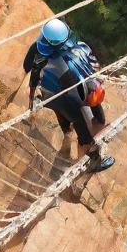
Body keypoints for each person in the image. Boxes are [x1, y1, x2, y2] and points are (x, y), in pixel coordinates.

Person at [24, 19, 113, 172]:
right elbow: (88, 73)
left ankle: (67, 132)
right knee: (82, 127)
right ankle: (91, 162)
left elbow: (31, 78)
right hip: (63, 96)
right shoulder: (77, 50)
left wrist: (31, 105)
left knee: (70, 114)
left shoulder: (40, 54)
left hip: (54, 94)